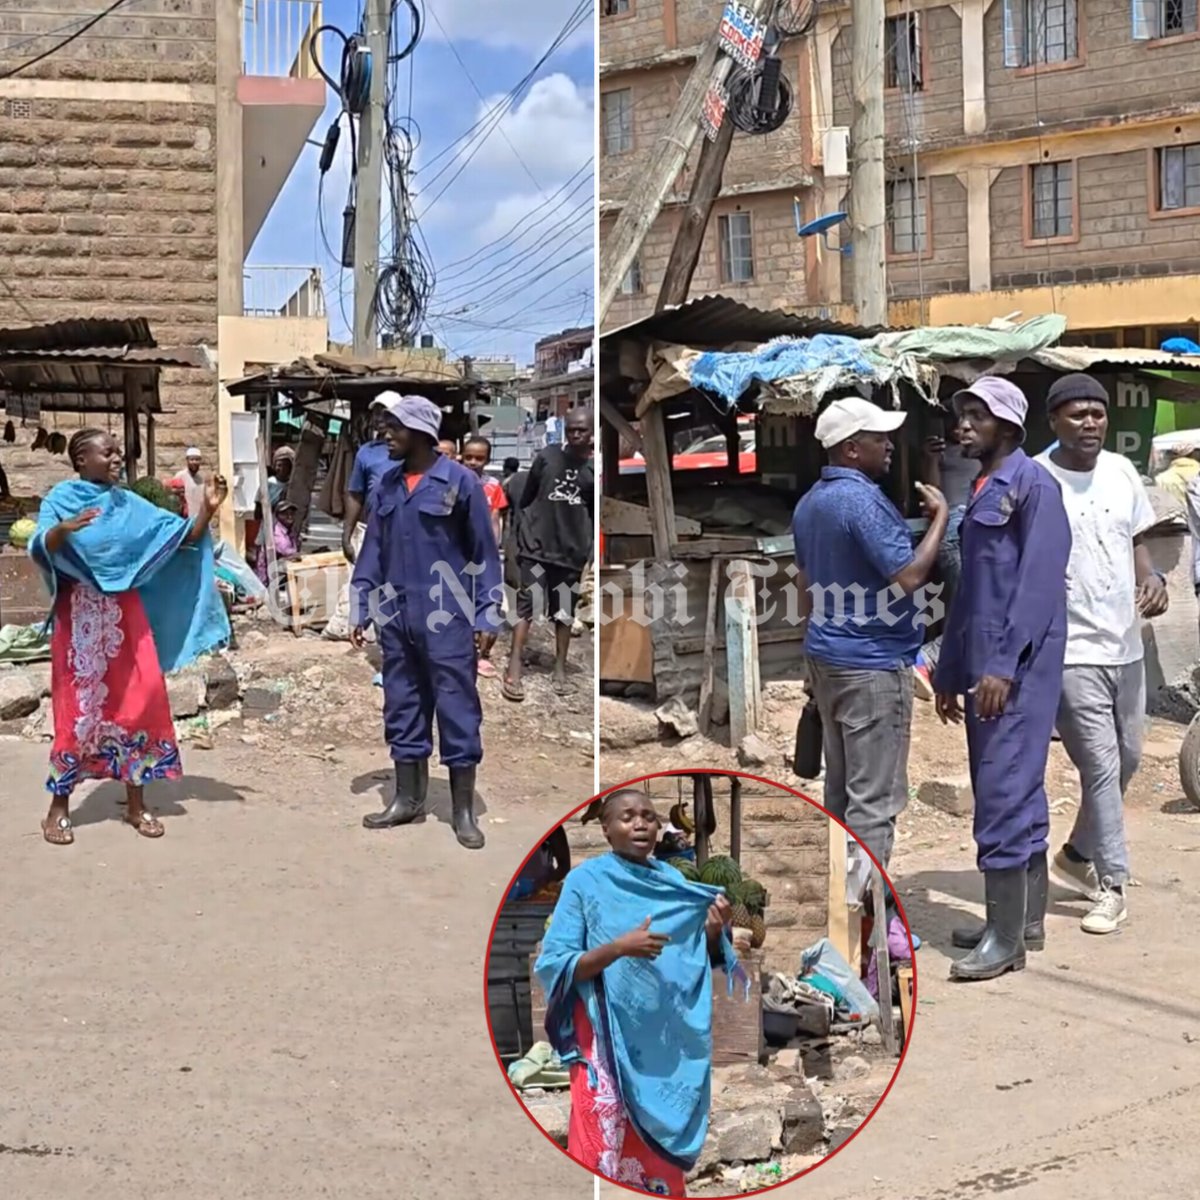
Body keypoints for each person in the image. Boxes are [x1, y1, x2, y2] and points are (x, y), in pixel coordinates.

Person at [28, 429, 230, 846]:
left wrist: (207, 512)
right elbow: (39, 544)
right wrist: (62, 531)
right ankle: (59, 808)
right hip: (80, 617)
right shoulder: (61, 500)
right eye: (109, 452)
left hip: (125, 616)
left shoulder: (129, 504)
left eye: (119, 451)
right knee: (77, 711)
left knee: (139, 703)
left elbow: (180, 539)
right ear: (82, 460)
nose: (118, 458)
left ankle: (136, 804)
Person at [535, 790, 742, 1196]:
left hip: (661, 1042)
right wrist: (618, 949)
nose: (641, 824)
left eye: (648, 816)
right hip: (603, 1036)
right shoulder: (585, 882)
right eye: (627, 817)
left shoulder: (672, 882)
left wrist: (714, 930)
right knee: (603, 1138)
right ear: (606, 828)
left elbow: (690, 955)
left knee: (658, 1162)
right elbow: (555, 962)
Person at [934, 377, 1071, 982]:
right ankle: (1025, 922)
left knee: (1001, 789)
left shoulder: (1033, 485)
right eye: (961, 415)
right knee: (1018, 785)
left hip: (1016, 670)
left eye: (976, 417)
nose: (963, 426)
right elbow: (971, 592)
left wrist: (1000, 664)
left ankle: (1004, 940)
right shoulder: (984, 486)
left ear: (1008, 429)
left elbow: (1038, 585)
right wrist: (949, 669)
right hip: (987, 666)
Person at [1034, 373, 1168, 935]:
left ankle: (1076, 856)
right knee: (1101, 765)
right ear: (1053, 422)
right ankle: (1112, 883)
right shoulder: (1037, 479)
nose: (1090, 423)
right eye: (1077, 414)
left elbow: (1134, 536)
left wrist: (1152, 576)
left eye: (1097, 413)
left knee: (1129, 758)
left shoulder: (1119, 471)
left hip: (1124, 643)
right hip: (1070, 650)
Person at [792, 397, 949, 873]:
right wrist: (940, 516)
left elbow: (804, 585)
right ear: (852, 449)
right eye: (880, 438)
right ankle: (870, 924)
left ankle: (842, 912)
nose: (889, 446)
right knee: (874, 804)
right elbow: (909, 577)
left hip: (828, 658)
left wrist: (814, 647)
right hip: (872, 665)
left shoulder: (810, 503)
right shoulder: (861, 501)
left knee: (840, 795)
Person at [349, 395, 503, 849]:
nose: (386, 436)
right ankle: (407, 799)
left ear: (420, 433)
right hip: (396, 618)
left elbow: (484, 554)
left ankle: (462, 811)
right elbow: (373, 547)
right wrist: (360, 603)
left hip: (447, 618)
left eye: (394, 428)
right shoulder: (388, 486)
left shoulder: (459, 483)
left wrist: (487, 612)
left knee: (456, 708)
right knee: (402, 704)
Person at [504, 408, 594, 701]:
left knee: (564, 612)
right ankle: (514, 667)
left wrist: (588, 551)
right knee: (527, 603)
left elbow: (593, 513)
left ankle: (560, 668)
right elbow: (528, 495)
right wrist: (521, 535)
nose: (576, 434)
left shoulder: (592, 471)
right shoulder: (547, 457)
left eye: (581, 430)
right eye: (571, 429)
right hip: (536, 546)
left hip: (570, 551)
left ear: (591, 432)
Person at [460, 435, 508, 678]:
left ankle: (482, 655)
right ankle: (463, 649)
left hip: (483, 551)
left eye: (479, 458)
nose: (472, 462)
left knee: (486, 600)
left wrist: (494, 548)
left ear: (487, 459)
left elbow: (495, 519)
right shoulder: (453, 482)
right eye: (468, 457)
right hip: (458, 551)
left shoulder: (492, 486)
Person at [342, 398, 395, 565]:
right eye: (376, 413)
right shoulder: (366, 452)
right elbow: (355, 494)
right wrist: (346, 534)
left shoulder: (411, 449)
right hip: (372, 529)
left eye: (385, 413)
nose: (379, 418)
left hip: (404, 531)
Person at [254, 499, 301, 587]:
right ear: (278, 515)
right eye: (285, 514)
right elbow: (287, 551)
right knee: (293, 563)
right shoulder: (276, 531)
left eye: (291, 514)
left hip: (276, 570)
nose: (289, 517)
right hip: (268, 575)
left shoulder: (289, 530)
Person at [169, 447, 207, 524]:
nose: (194, 462)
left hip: (198, 521)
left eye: (197, 460)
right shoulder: (180, 476)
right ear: (187, 461)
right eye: (192, 459)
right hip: (184, 521)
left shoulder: (201, 480)